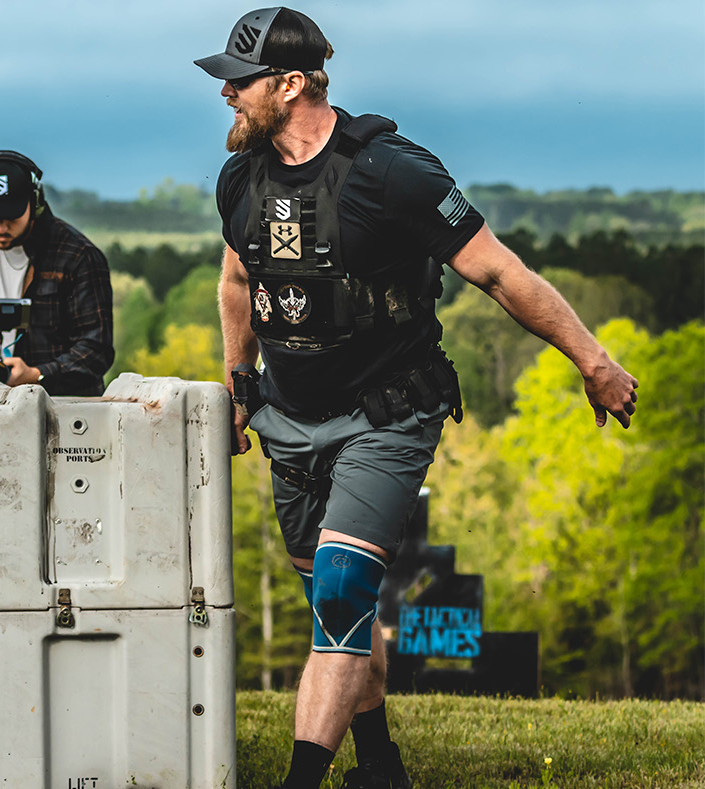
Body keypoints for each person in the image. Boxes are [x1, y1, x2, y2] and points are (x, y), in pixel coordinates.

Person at [194, 9, 638, 789]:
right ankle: (381, 763)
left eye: (241, 83)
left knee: (339, 591)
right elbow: (239, 281)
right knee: (340, 611)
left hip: (386, 414)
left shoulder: (394, 171)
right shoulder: (240, 178)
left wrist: (592, 359)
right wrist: (238, 383)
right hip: (288, 424)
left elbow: (499, 272)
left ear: (291, 83)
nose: (228, 97)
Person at [0, 150, 115, 396]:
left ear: (36, 203)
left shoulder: (77, 255)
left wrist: (36, 374)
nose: (0, 227)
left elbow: (96, 350)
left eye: (11, 217)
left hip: (64, 408)